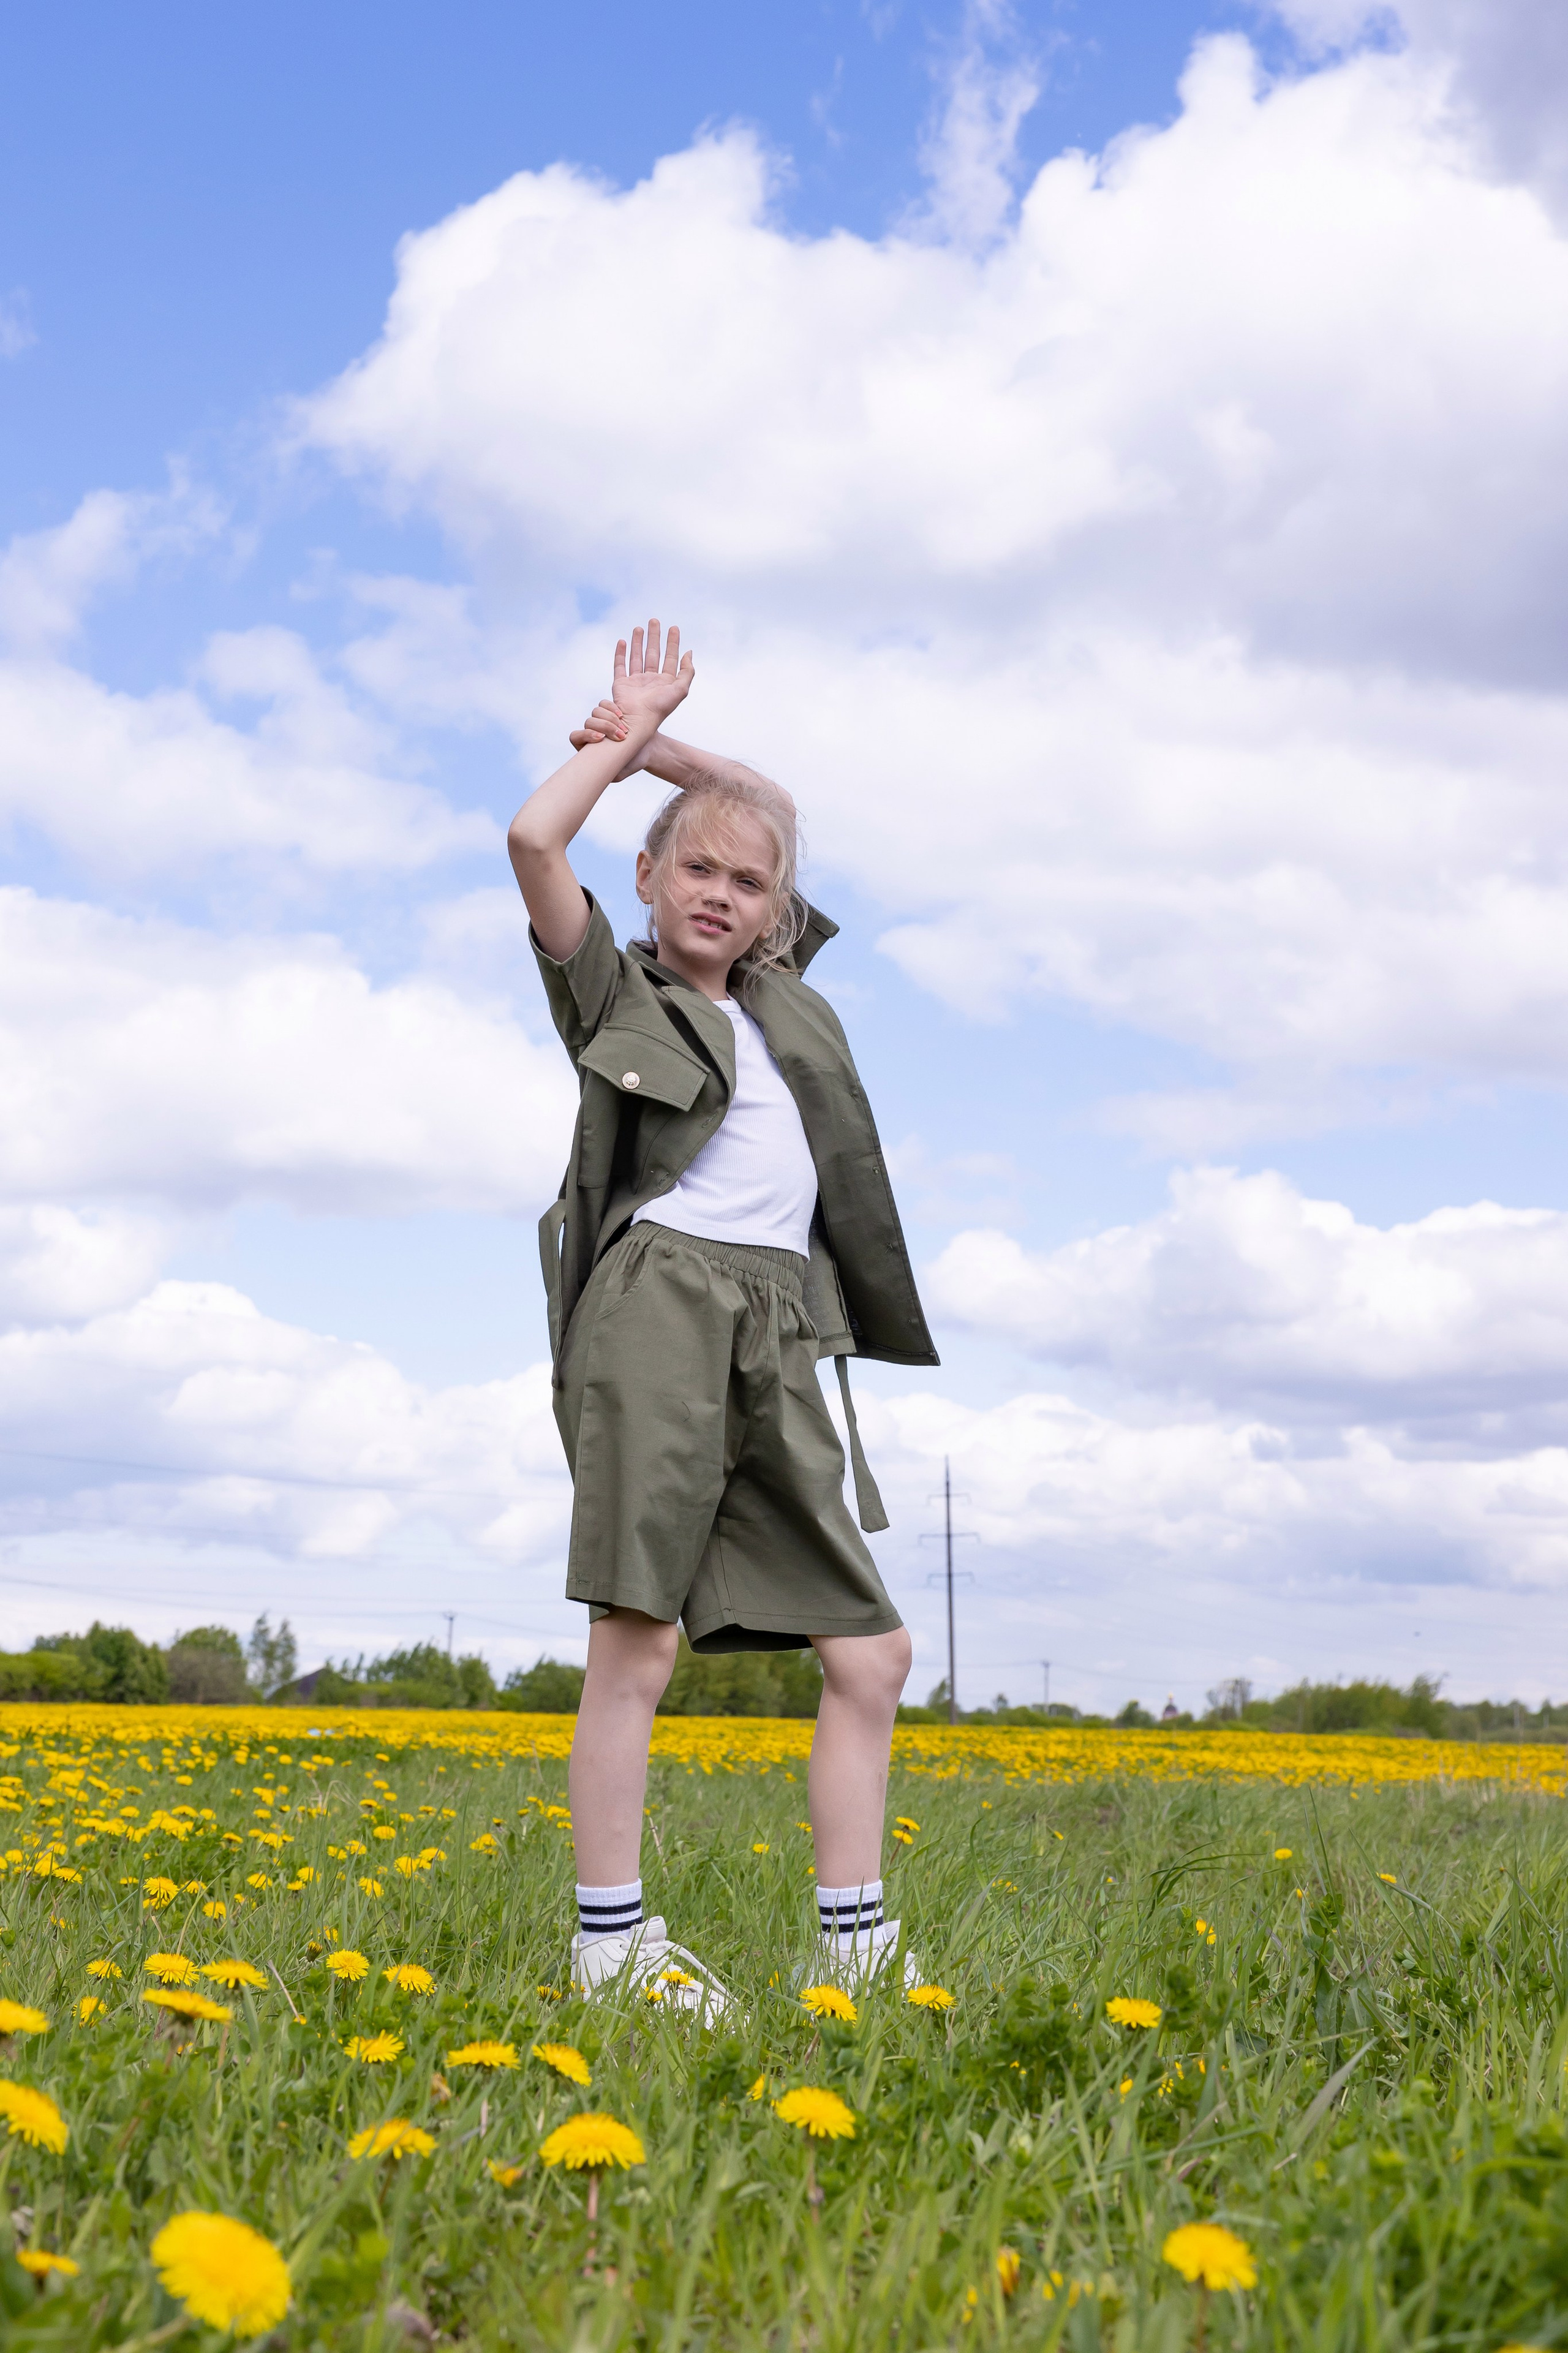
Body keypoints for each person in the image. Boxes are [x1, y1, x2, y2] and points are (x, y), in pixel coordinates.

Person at [508, 619, 938, 2015]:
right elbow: (532, 839)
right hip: (661, 1304)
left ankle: (852, 1945)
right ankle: (611, 1950)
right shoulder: (610, 986)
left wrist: (672, 751)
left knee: (871, 1653)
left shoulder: (776, 995)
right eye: (695, 866)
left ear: (772, 910)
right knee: (638, 1640)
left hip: (779, 1323)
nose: (722, 892)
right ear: (646, 878)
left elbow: (770, 810)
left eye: (748, 882)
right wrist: (621, 745)